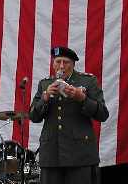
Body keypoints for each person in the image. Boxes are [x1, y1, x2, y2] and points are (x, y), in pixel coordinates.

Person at [29, 46, 109, 184]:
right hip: (51, 155)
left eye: (65, 62)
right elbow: (33, 116)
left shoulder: (87, 81)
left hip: (80, 155)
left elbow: (103, 114)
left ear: (73, 64)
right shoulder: (45, 84)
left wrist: (82, 98)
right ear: (53, 64)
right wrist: (45, 97)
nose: (61, 66)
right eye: (58, 61)